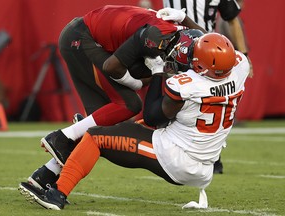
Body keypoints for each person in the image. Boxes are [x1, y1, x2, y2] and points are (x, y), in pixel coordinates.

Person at [19, 32, 250, 210]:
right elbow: (215, 45)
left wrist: (159, 71)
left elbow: (153, 116)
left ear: (203, 66)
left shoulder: (188, 86)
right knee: (114, 130)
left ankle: (57, 194)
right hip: (203, 160)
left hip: (176, 158)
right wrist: (186, 20)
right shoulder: (239, 67)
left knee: (95, 138)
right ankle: (46, 175)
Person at [24, 5, 206, 193]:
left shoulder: (183, 34)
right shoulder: (154, 36)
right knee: (129, 104)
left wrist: (184, 17)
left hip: (92, 39)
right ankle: (61, 137)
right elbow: (112, 67)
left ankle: (44, 175)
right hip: (82, 39)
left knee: (98, 128)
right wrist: (138, 83)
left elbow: (208, 40)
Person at [157, 1, 253, 173]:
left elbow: (232, 18)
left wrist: (244, 53)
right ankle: (176, 156)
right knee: (172, 109)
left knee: (208, 106)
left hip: (207, 57)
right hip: (174, 53)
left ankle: (211, 158)